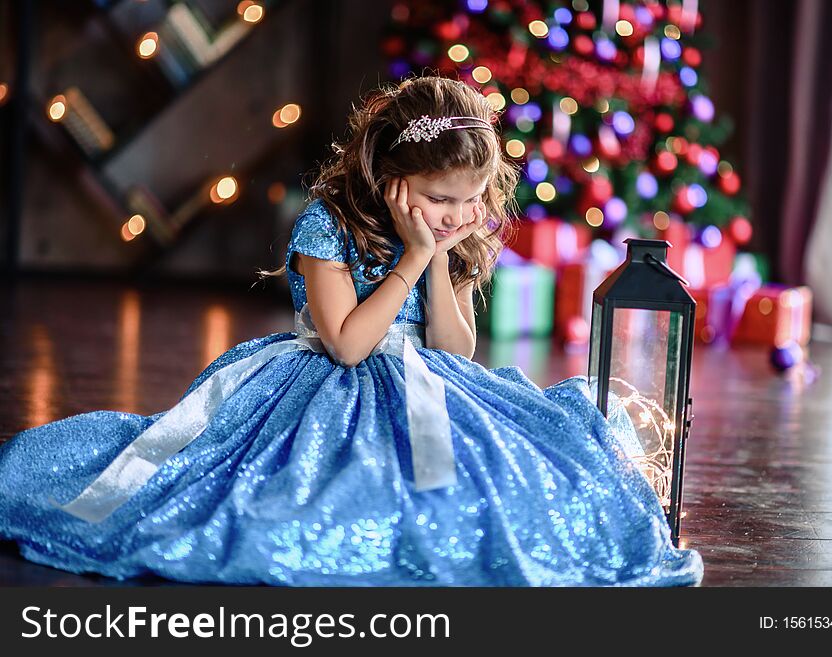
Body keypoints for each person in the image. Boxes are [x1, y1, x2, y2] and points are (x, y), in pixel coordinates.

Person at [0, 76, 702, 586]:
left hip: (429, 383)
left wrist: (439, 261)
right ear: (392, 178)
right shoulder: (327, 225)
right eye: (437, 199)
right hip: (324, 382)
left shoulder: (452, 237)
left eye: (469, 201)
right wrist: (415, 255)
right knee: (317, 495)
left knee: (525, 480)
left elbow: (454, 351)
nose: (457, 215)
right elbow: (348, 344)